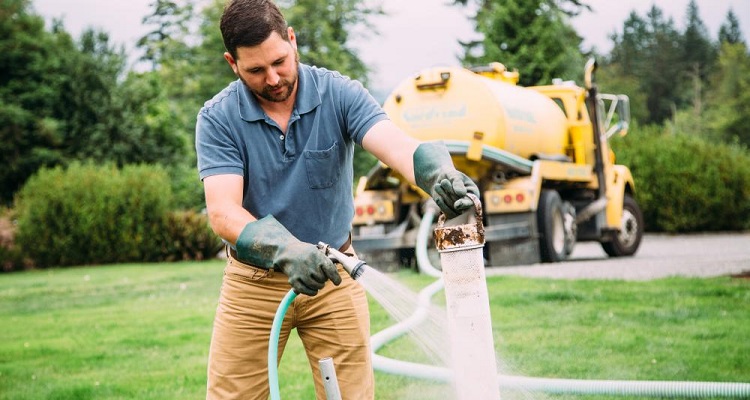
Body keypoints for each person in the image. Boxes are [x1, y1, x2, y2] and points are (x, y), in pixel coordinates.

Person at [195, 0, 479, 398]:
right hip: (253, 284)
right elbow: (224, 212)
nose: (273, 78)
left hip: (336, 274)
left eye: (279, 61)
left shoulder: (339, 93)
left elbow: (397, 147)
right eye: (256, 70)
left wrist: (438, 174)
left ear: (292, 40)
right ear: (232, 63)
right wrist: (288, 250)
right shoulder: (218, 118)